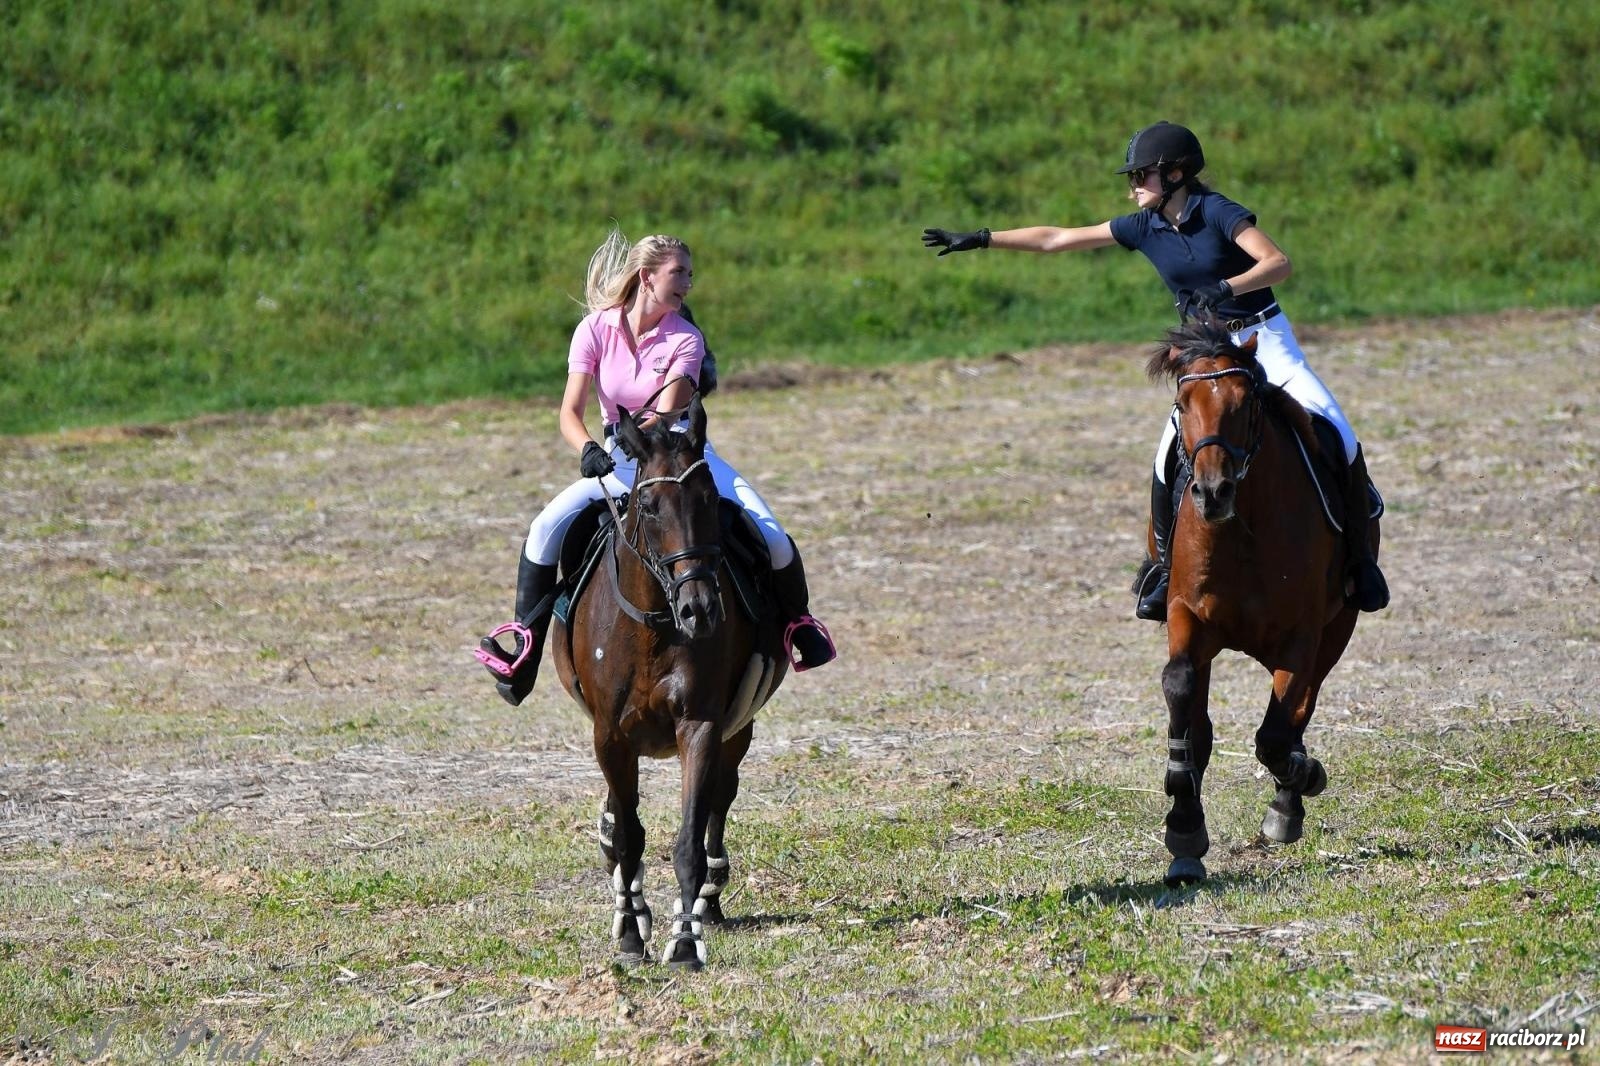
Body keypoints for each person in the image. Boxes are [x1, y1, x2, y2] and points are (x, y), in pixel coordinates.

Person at [922, 120, 1388, 622]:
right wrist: (985, 238)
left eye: (1143, 174)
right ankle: (1164, 568)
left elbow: (1278, 262)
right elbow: (1057, 238)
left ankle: (1359, 560)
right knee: (1169, 453)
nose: (1134, 185)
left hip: (1264, 339)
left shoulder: (1217, 212)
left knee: (1337, 431)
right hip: (1206, 355)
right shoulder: (1143, 226)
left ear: (1177, 174)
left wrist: (1228, 287)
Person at [475, 228, 835, 705]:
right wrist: (587, 448)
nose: (688, 281)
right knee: (543, 530)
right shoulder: (594, 331)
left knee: (770, 532)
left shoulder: (687, 338)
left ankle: (798, 626)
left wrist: (630, 436)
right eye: (678, 272)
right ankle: (525, 649)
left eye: (689, 272)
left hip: (680, 457)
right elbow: (569, 411)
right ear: (647, 277)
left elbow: (664, 413)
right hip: (616, 459)